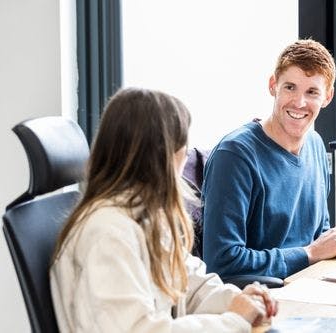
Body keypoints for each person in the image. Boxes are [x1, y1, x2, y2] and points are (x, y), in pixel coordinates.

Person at [50, 87, 277, 332]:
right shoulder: (108, 233)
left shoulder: (146, 215)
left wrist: (235, 300)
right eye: (182, 151)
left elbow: (188, 284)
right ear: (164, 159)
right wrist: (234, 320)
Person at [201, 39, 336, 280]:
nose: (299, 102)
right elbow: (222, 261)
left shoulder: (315, 144)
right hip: (261, 298)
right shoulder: (234, 155)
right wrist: (310, 253)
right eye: (290, 87)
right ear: (273, 85)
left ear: (327, 97)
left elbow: (319, 234)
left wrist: (335, 242)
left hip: (306, 284)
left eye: (312, 92)